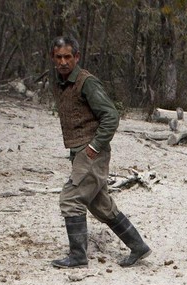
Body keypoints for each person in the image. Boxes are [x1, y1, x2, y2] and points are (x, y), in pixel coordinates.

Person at [49, 36, 150, 268]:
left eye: (67, 57)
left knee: (70, 199)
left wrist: (94, 148)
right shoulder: (60, 82)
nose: (63, 62)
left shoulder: (87, 83)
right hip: (80, 151)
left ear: (77, 57)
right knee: (100, 205)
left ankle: (78, 256)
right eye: (59, 57)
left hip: (91, 151)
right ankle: (138, 246)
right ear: (53, 58)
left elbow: (111, 116)